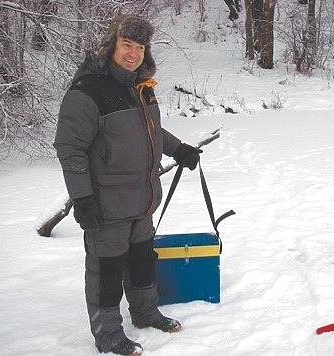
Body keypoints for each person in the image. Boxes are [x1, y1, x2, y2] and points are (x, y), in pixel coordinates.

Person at [54, 15, 202, 355]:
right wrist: (83, 199)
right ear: (112, 46)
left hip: (142, 200)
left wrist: (178, 148)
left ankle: (145, 312)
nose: (133, 53)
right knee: (106, 273)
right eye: (127, 45)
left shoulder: (140, 86)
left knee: (141, 261)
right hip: (106, 205)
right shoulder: (87, 90)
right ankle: (108, 334)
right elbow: (70, 148)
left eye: (139, 47)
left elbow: (150, 132)